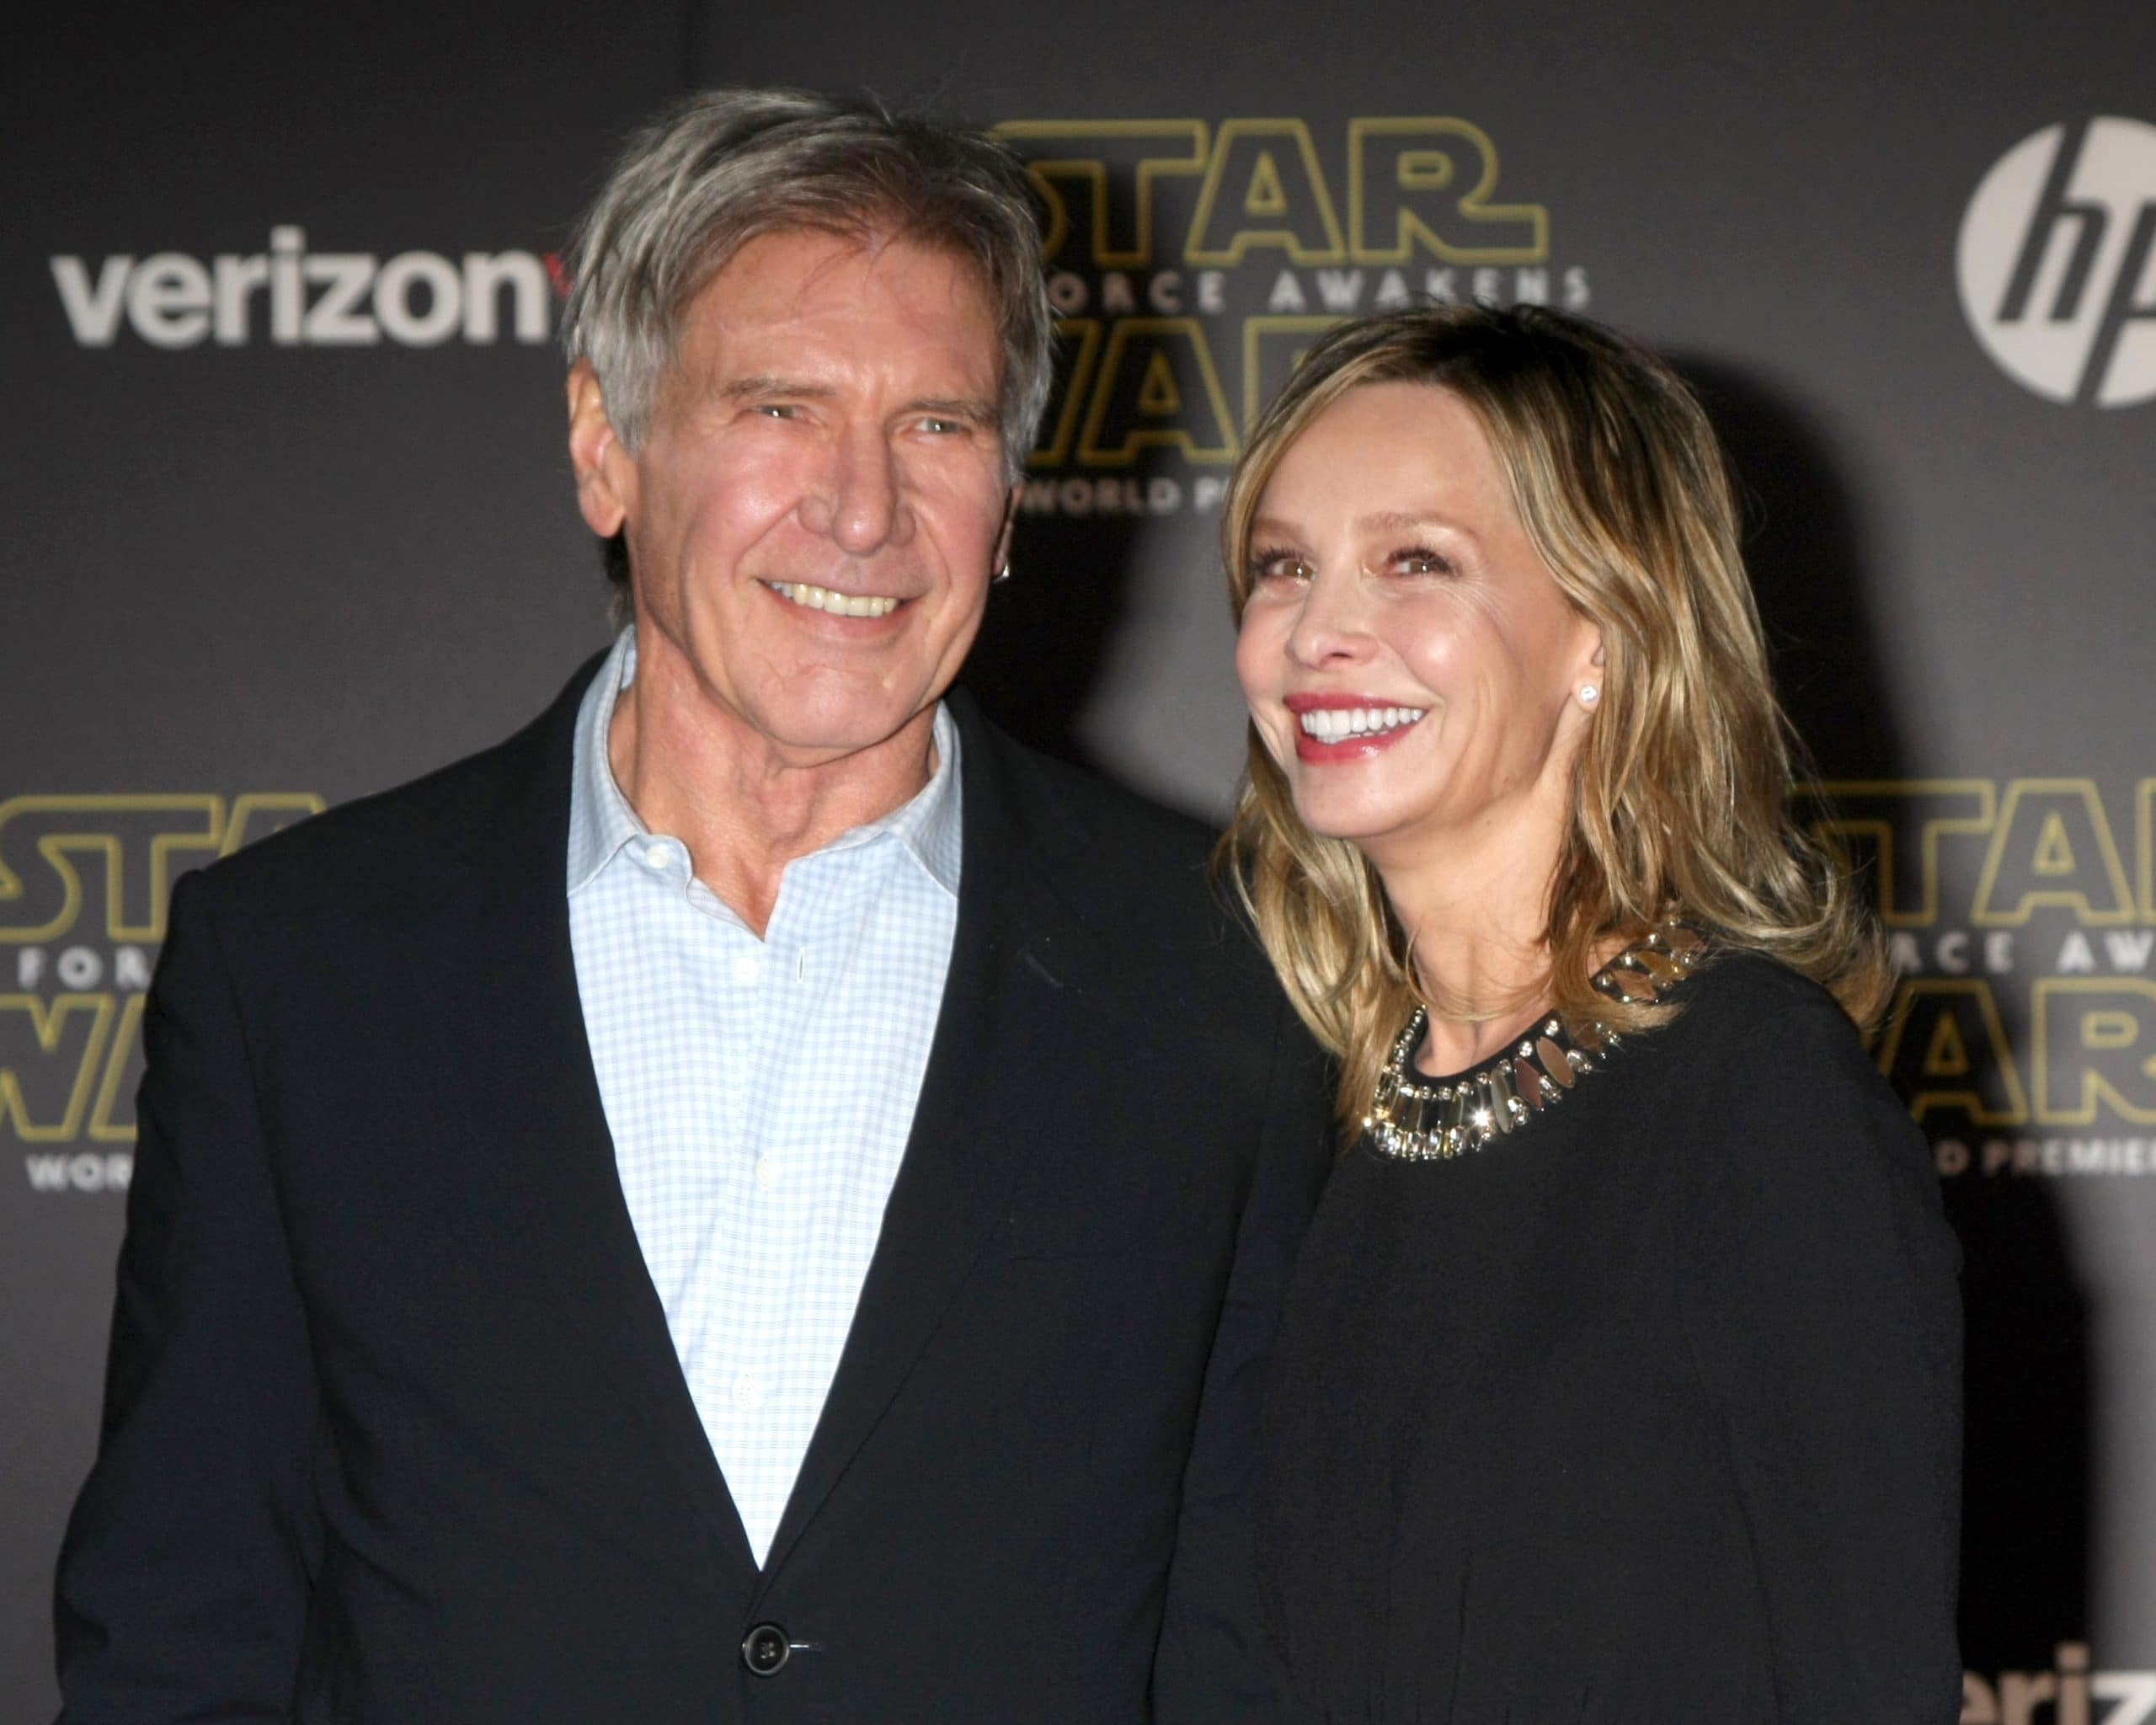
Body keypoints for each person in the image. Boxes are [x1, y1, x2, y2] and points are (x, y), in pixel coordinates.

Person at [55, 89, 1332, 1724]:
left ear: (1009, 493)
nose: (862, 511)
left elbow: (1257, 1629)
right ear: (607, 446)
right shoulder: (296, 964)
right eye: (781, 409)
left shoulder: (1231, 967)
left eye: (937, 425)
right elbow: (181, 1618)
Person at [1221, 304, 1962, 1722]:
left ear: (1606, 632)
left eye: (1414, 563)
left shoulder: (1754, 1090)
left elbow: (1869, 1672)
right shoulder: (1319, 1120)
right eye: (1282, 568)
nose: (1318, 632)